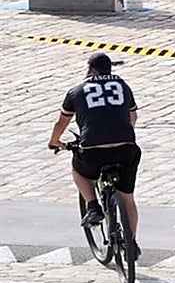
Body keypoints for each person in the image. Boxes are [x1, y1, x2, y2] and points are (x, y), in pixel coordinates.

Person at [47, 52, 141, 258]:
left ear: (89, 69)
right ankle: (131, 243)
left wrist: (55, 142)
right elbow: (133, 116)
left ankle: (92, 205)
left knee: (78, 170)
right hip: (126, 148)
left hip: (93, 150)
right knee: (128, 198)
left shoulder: (76, 91)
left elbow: (61, 124)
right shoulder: (123, 86)